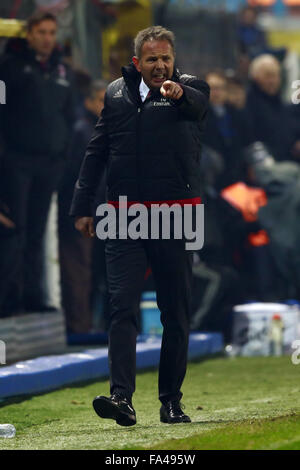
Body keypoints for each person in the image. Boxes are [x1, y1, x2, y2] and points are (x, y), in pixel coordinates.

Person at [70, 26, 209, 426]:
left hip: (176, 216)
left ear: (173, 59)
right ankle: (122, 399)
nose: (160, 66)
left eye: (166, 58)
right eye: (152, 59)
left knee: (176, 312)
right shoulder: (115, 95)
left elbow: (198, 106)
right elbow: (97, 152)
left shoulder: (191, 89)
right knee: (121, 308)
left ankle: (171, 401)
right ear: (137, 62)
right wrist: (83, 207)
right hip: (124, 216)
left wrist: (179, 94)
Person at [0, 11, 75, 313]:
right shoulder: (9, 68)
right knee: (16, 231)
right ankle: (10, 298)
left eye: (51, 32)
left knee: (38, 231)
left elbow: (69, 116)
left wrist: (61, 156)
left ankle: (33, 296)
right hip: (17, 161)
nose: (47, 38)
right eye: (41, 32)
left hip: (48, 164)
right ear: (29, 34)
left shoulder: (62, 71)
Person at [58, 80, 107, 334]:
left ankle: (88, 325)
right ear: (88, 102)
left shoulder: (97, 129)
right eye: (101, 100)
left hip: (97, 212)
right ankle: (80, 328)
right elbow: (79, 176)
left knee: (92, 271)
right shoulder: (84, 131)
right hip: (84, 213)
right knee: (79, 271)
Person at [246, 54, 300, 162]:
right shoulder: (248, 105)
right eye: (268, 76)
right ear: (255, 77)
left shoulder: (281, 105)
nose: (272, 81)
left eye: (276, 76)